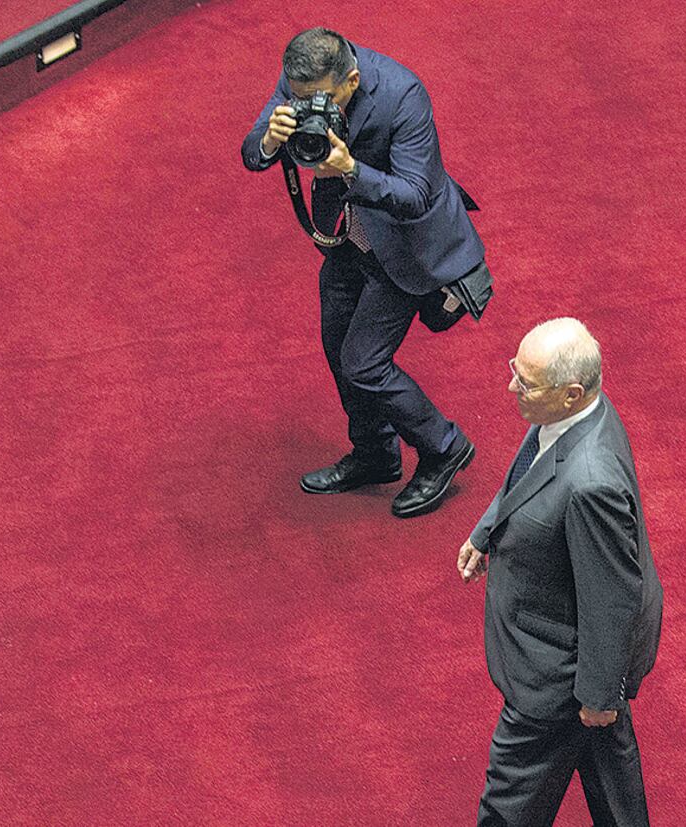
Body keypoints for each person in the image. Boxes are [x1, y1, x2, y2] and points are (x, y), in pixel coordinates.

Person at [241, 27, 489, 518]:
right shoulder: (304, 78)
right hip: (344, 238)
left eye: (322, 100)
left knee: (364, 363)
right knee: (337, 348)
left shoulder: (404, 95)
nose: (311, 107)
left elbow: (417, 194)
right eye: (299, 98)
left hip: (403, 248)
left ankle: (443, 446)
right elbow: (253, 152)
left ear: (351, 80)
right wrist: (269, 141)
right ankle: (375, 453)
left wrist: (351, 168)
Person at [457, 318, 663, 825]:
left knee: (510, 803)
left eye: (524, 383)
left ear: (572, 393)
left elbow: (612, 596)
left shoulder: (591, 483)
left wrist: (595, 694)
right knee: (608, 769)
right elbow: (532, 469)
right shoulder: (576, 416)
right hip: (585, 666)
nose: (511, 387)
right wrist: (488, 530)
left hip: (555, 676)